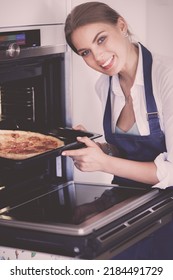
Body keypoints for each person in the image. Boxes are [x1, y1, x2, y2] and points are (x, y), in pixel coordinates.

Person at [63, 2, 173, 259]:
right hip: (129, 210)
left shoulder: (166, 78)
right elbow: (126, 151)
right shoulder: (105, 86)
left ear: (121, 26)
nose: (98, 57)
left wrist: (104, 163)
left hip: (166, 216)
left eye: (101, 39)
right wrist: (97, 149)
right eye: (85, 52)